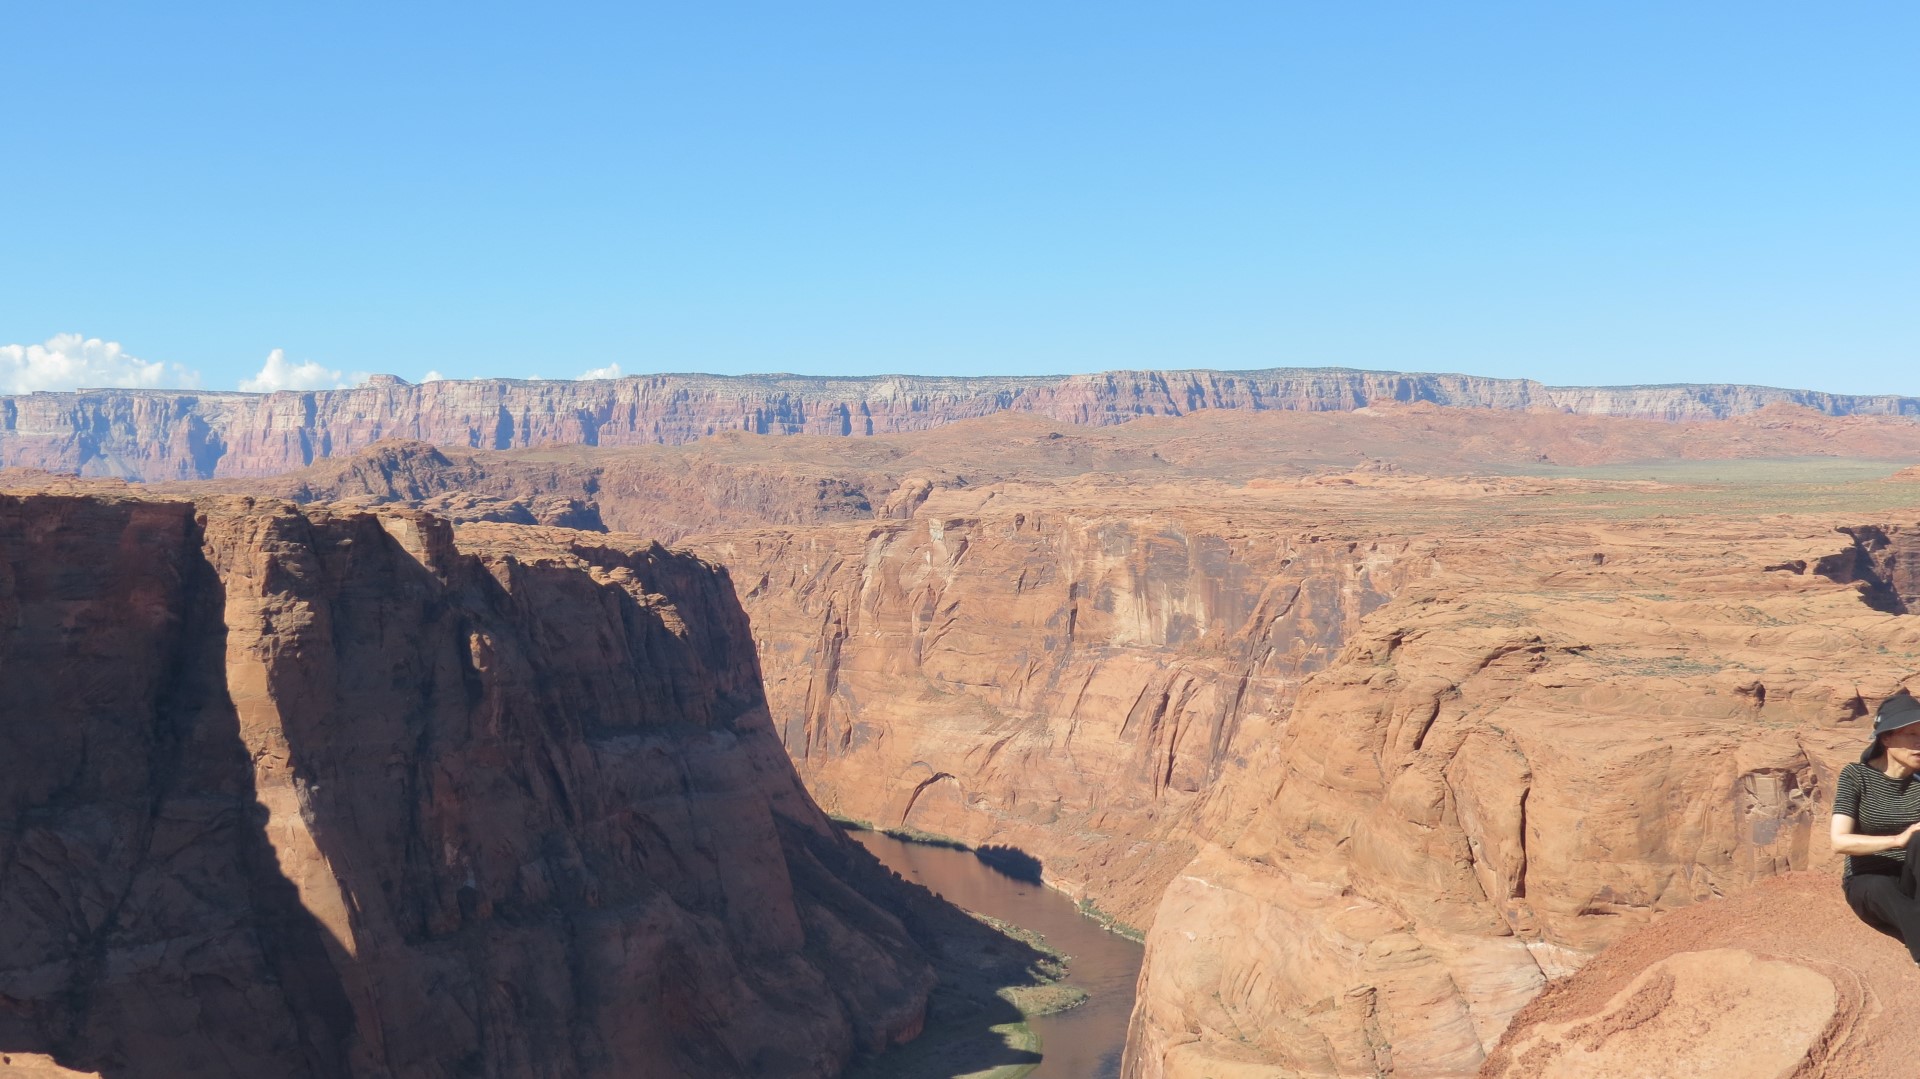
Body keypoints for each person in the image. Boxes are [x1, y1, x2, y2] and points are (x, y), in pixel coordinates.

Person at [1832, 688, 1920, 960]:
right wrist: (1897, 840)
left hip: (1911, 879)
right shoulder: (1857, 776)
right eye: (1913, 736)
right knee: (1882, 888)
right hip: (1868, 882)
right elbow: (1839, 841)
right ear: (1886, 738)